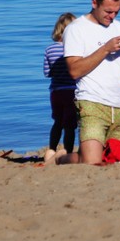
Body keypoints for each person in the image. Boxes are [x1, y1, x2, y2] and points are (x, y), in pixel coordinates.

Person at [62, 0, 120, 165]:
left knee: (114, 161)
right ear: (94, 3)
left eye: (117, 11)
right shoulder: (77, 29)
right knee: (92, 163)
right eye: (108, 11)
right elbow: (74, 70)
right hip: (92, 103)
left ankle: (76, 154)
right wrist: (106, 48)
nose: (112, 16)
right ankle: (60, 159)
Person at [43, 12, 77, 164]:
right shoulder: (74, 50)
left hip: (56, 92)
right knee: (69, 125)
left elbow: (46, 73)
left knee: (57, 122)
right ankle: (68, 152)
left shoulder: (49, 50)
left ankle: (51, 148)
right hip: (72, 91)